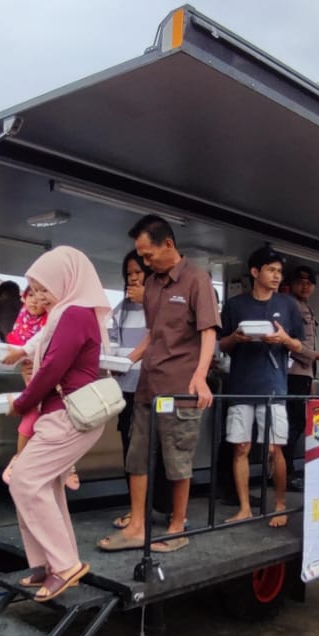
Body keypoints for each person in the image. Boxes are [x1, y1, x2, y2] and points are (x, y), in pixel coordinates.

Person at [98, 215, 220, 553]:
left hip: (181, 389)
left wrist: (200, 376)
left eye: (148, 255)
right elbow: (153, 334)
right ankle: (137, 526)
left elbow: (208, 331)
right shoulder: (152, 285)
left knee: (177, 461)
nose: (145, 262)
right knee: (136, 457)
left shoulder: (197, 280)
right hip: (147, 388)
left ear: (168, 244)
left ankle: (176, 527)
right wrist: (128, 360)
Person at [6, 246, 109, 600]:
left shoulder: (74, 315)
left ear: (65, 282)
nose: (38, 295)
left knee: (24, 480)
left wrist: (21, 403)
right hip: (61, 414)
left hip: (66, 414)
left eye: (44, 287)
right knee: (43, 485)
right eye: (34, 288)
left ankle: (64, 565)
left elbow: (52, 368)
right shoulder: (67, 313)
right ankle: (47, 563)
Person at [217, 245, 305, 523]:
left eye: (279, 271)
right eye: (271, 270)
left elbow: (299, 345)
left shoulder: (289, 305)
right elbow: (222, 344)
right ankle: (244, 508)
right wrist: (236, 338)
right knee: (240, 447)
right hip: (241, 386)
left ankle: (279, 506)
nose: (277, 276)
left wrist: (284, 340)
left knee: (275, 448)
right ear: (255, 272)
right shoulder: (234, 305)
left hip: (274, 388)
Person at [111, 250, 151, 529]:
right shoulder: (119, 310)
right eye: (129, 274)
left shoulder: (159, 307)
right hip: (125, 388)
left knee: (153, 450)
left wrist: (147, 301)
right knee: (129, 450)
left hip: (151, 388)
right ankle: (135, 510)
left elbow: (163, 336)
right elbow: (110, 342)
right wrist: (112, 361)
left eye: (138, 272)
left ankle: (159, 509)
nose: (133, 278)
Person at [286, 266, 319, 457]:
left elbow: (308, 344)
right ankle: (283, 469)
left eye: (309, 284)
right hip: (293, 374)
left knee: (298, 422)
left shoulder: (305, 306)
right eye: (300, 283)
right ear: (291, 284)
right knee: (294, 422)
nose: (305, 287)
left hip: (304, 374)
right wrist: (318, 357)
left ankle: (285, 468)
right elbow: (292, 344)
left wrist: (312, 379)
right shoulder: (290, 305)